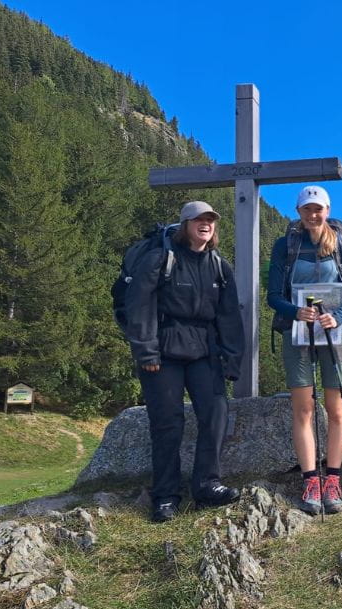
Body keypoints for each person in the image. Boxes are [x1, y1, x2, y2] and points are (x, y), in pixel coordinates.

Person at [124, 201, 244, 523]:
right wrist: (146, 351)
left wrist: (233, 358)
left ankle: (207, 485)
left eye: (210, 220)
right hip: (163, 352)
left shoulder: (219, 266)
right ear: (185, 225)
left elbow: (229, 316)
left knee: (216, 413)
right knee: (167, 422)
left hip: (205, 351)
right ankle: (165, 496)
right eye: (198, 219)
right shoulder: (160, 259)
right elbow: (139, 306)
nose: (206, 224)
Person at [267, 185, 342, 514]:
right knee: (303, 408)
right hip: (298, 332)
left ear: (327, 210)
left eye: (318, 208)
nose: (313, 214)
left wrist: (337, 317)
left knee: (337, 408)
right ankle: (310, 480)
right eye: (307, 209)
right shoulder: (285, 245)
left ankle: (332, 479)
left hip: (337, 333)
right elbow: (273, 295)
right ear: (299, 212)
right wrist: (296, 312)